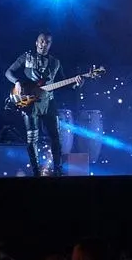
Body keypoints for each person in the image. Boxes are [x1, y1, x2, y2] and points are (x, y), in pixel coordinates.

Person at [5, 32, 81, 177]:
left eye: (47, 42)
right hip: (29, 104)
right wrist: (17, 82)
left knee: (56, 137)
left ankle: (58, 170)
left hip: (48, 103)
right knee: (32, 140)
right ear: (36, 42)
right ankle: (36, 172)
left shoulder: (55, 62)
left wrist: (75, 83)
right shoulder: (26, 57)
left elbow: (63, 82)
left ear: (50, 44)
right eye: (41, 41)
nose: (44, 44)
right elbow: (8, 72)